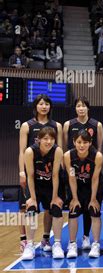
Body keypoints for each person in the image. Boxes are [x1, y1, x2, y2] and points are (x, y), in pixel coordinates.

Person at [18, 94, 62, 253]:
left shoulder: (56, 125)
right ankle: (25, 241)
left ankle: (46, 239)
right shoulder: (26, 125)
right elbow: (22, 151)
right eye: (41, 104)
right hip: (31, 172)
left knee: (51, 208)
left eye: (47, 104)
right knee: (28, 206)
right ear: (36, 106)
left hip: (50, 173)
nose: (44, 106)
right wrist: (21, 171)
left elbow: (60, 149)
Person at [63, 97, 103, 250]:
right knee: (74, 209)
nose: (81, 108)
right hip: (76, 179)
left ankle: (92, 241)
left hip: (91, 179)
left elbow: (95, 179)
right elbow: (72, 177)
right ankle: (72, 243)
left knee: (92, 209)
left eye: (84, 106)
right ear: (75, 142)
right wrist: (73, 198)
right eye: (78, 106)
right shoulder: (69, 154)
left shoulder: (96, 128)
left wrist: (93, 199)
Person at [21, 127, 64, 260]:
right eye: (45, 138)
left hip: (52, 185)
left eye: (51, 138)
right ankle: (29, 245)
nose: (49, 141)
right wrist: (32, 198)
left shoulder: (57, 150)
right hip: (35, 184)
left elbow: (56, 175)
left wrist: (55, 196)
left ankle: (56, 244)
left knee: (56, 208)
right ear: (38, 139)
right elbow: (30, 175)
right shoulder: (30, 151)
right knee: (31, 210)